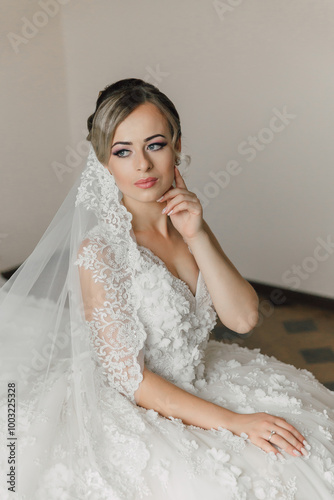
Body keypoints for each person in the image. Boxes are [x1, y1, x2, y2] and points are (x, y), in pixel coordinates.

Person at [0, 78, 333, 500]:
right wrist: (234, 422)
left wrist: (197, 234)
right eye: (123, 151)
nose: (142, 165)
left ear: (177, 146)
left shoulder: (186, 221)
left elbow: (244, 318)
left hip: (203, 374)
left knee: (310, 439)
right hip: (140, 401)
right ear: (104, 162)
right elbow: (133, 381)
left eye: (154, 145)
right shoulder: (101, 250)